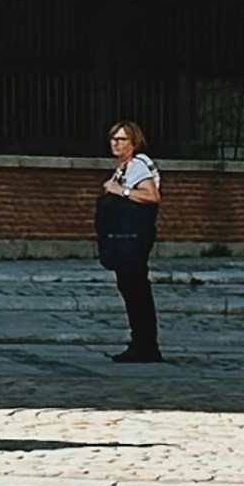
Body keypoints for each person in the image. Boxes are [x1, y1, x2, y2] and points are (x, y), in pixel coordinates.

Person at [96, 123, 164, 364]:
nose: (117, 143)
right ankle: (140, 342)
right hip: (125, 241)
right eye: (114, 138)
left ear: (134, 142)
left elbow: (152, 195)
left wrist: (120, 191)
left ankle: (146, 345)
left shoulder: (138, 165)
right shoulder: (124, 167)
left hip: (134, 240)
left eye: (123, 139)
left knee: (137, 291)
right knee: (131, 290)